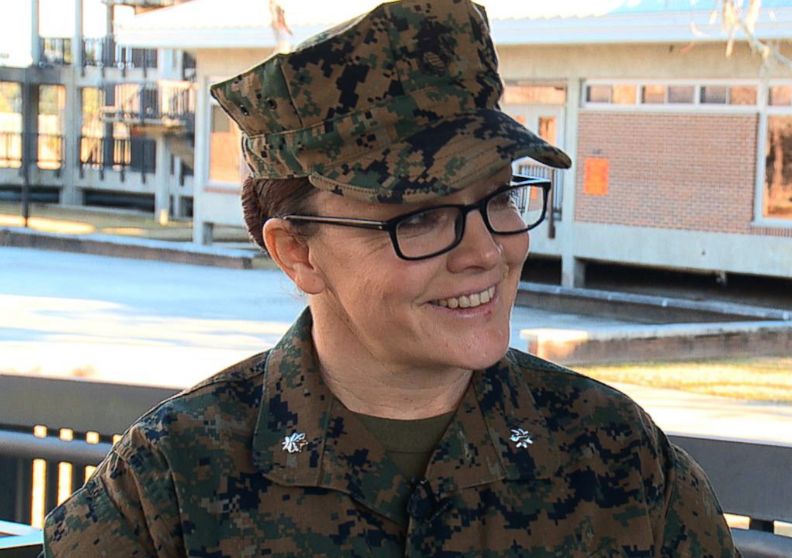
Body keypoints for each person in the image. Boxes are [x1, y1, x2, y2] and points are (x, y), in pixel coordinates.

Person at [43, 0, 739, 556]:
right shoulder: (176, 477)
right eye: (423, 217)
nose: (484, 252)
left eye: (497, 198)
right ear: (299, 254)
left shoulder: (615, 456)